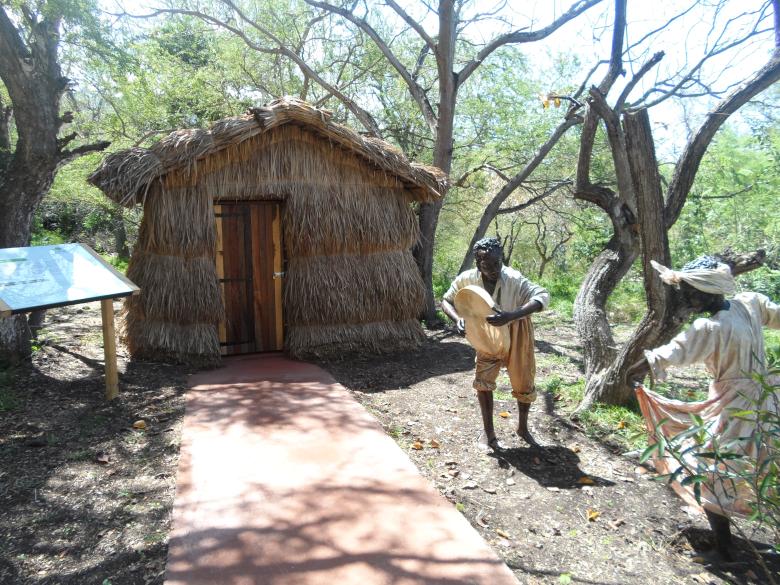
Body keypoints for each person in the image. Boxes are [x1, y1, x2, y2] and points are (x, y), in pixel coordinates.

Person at [634, 256, 780, 561]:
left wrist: (636, 368)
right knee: (760, 462)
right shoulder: (748, 304)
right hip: (765, 401)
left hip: (732, 407)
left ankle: (725, 549)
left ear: (708, 290)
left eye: (691, 290)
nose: (686, 297)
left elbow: (675, 350)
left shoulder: (709, 326)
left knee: (711, 468)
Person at [441, 237, 549, 451]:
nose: (493, 269)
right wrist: (457, 319)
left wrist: (512, 315)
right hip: (485, 333)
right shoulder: (467, 279)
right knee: (483, 380)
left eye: (497, 263)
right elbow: (446, 300)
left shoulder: (514, 279)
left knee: (523, 380)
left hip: (517, 330)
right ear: (478, 264)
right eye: (486, 265)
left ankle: (523, 428)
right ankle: (489, 433)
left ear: (502, 259)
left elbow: (542, 296)